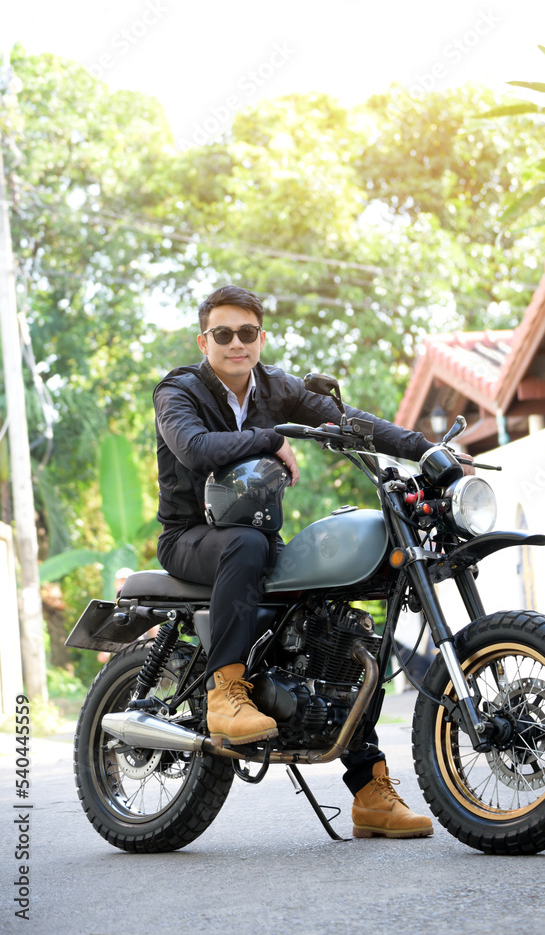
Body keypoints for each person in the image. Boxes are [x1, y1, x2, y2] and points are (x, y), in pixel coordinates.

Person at [153, 285, 452, 839]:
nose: (237, 343)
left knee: (337, 622)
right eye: (223, 333)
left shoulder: (275, 387)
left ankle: (369, 790)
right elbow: (193, 449)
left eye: (247, 332)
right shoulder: (179, 390)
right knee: (247, 544)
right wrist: (268, 439)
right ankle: (225, 692)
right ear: (204, 341)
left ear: (261, 338)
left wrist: (427, 450)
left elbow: (349, 421)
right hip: (191, 537)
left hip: (257, 537)